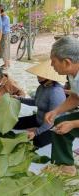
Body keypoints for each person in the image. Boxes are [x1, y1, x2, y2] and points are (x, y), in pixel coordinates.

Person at [44, 36, 79, 176]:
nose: (52, 66)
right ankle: (65, 165)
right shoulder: (73, 74)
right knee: (59, 124)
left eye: (53, 62)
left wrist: (73, 124)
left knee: (68, 125)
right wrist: (56, 111)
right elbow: (76, 97)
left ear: (66, 62)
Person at [13, 62, 66, 148]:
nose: (38, 77)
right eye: (38, 75)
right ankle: (37, 127)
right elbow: (36, 102)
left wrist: (36, 131)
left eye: (40, 76)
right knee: (14, 123)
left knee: (36, 141)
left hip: (52, 125)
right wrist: (19, 99)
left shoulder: (56, 93)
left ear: (49, 78)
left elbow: (51, 120)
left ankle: (48, 133)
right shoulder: (41, 87)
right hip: (39, 119)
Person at [0, 4, 11, 69]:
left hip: (5, 34)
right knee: (3, 49)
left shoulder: (6, 17)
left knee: (5, 48)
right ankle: (6, 63)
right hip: (2, 35)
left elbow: (1, 26)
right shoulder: (2, 17)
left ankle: (6, 64)